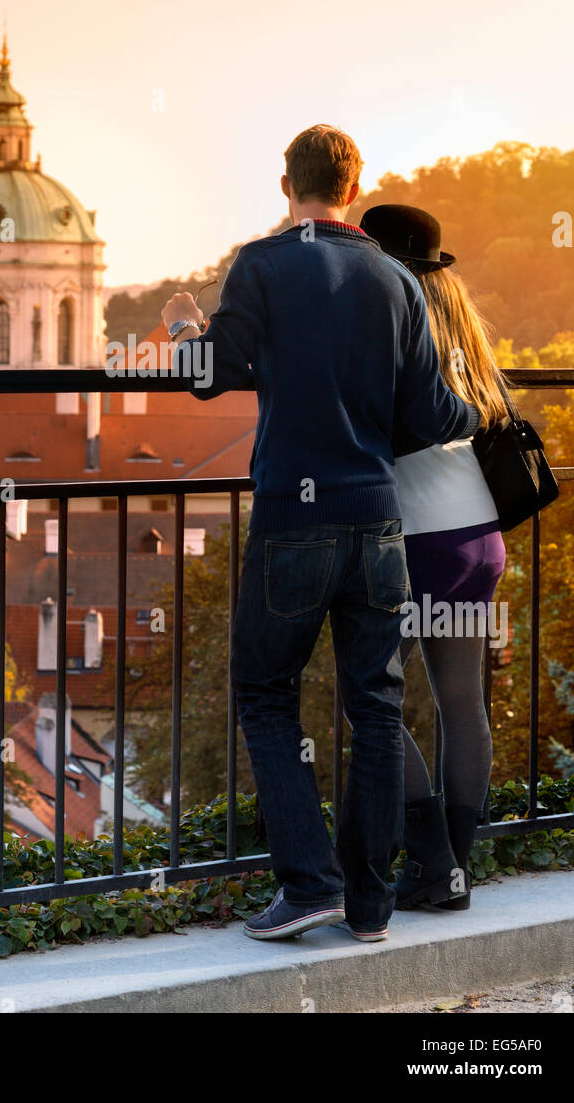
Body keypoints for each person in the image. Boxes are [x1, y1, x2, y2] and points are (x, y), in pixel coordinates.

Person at [161, 126, 478, 943]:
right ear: (354, 182)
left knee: (267, 696)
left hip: (293, 521)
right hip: (377, 521)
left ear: (285, 184)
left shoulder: (264, 264)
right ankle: (369, 907)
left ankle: (309, 886)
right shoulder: (393, 277)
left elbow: (209, 376)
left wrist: (181, 331)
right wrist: (477, 407)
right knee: (374, 706)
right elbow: (431, 416)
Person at [359, 204, 507, 912]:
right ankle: (451, 871)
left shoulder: (389, 316)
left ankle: (432, 860)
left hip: (418, 538)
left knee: (368, 703)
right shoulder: (461, 325)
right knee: (460, 703)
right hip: (479, 533)